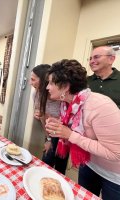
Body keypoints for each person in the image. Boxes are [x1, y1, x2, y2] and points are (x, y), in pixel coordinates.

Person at [45, 59, 120, 199]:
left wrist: (70, 135)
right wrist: (60, 125)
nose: (47, 87)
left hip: (114, 176)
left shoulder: (100, 106)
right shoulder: (67, 106)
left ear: (66, 86)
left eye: (50, 83)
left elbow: (116, 153)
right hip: (89, 164)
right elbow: (78, 128)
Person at [30, 64, 68, 174]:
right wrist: (48, 139)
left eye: (33, 79)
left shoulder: (61, 97)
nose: (30, 83)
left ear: (44, 81)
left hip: (64, 136)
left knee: (60, 167)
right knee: (46, 161)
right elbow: (43, 119)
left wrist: (48, 117)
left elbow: (68, 119)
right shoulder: (36, 94)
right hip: (50, 133)